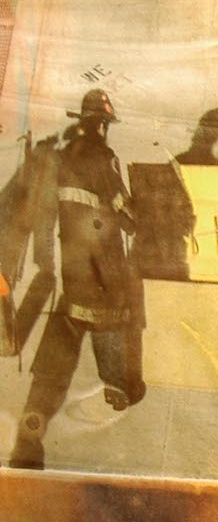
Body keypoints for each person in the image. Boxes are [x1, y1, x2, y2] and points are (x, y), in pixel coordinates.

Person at [10, 90, 144, 469]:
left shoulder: (63, 158)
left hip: (73, 270)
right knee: (112, 323)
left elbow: (45, 215)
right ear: (101, 125)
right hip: (105, 271)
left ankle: (32, 426)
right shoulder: (105, 158)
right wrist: (138, 219)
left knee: (61, 346)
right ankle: (118, 386)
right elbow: (123, 209)